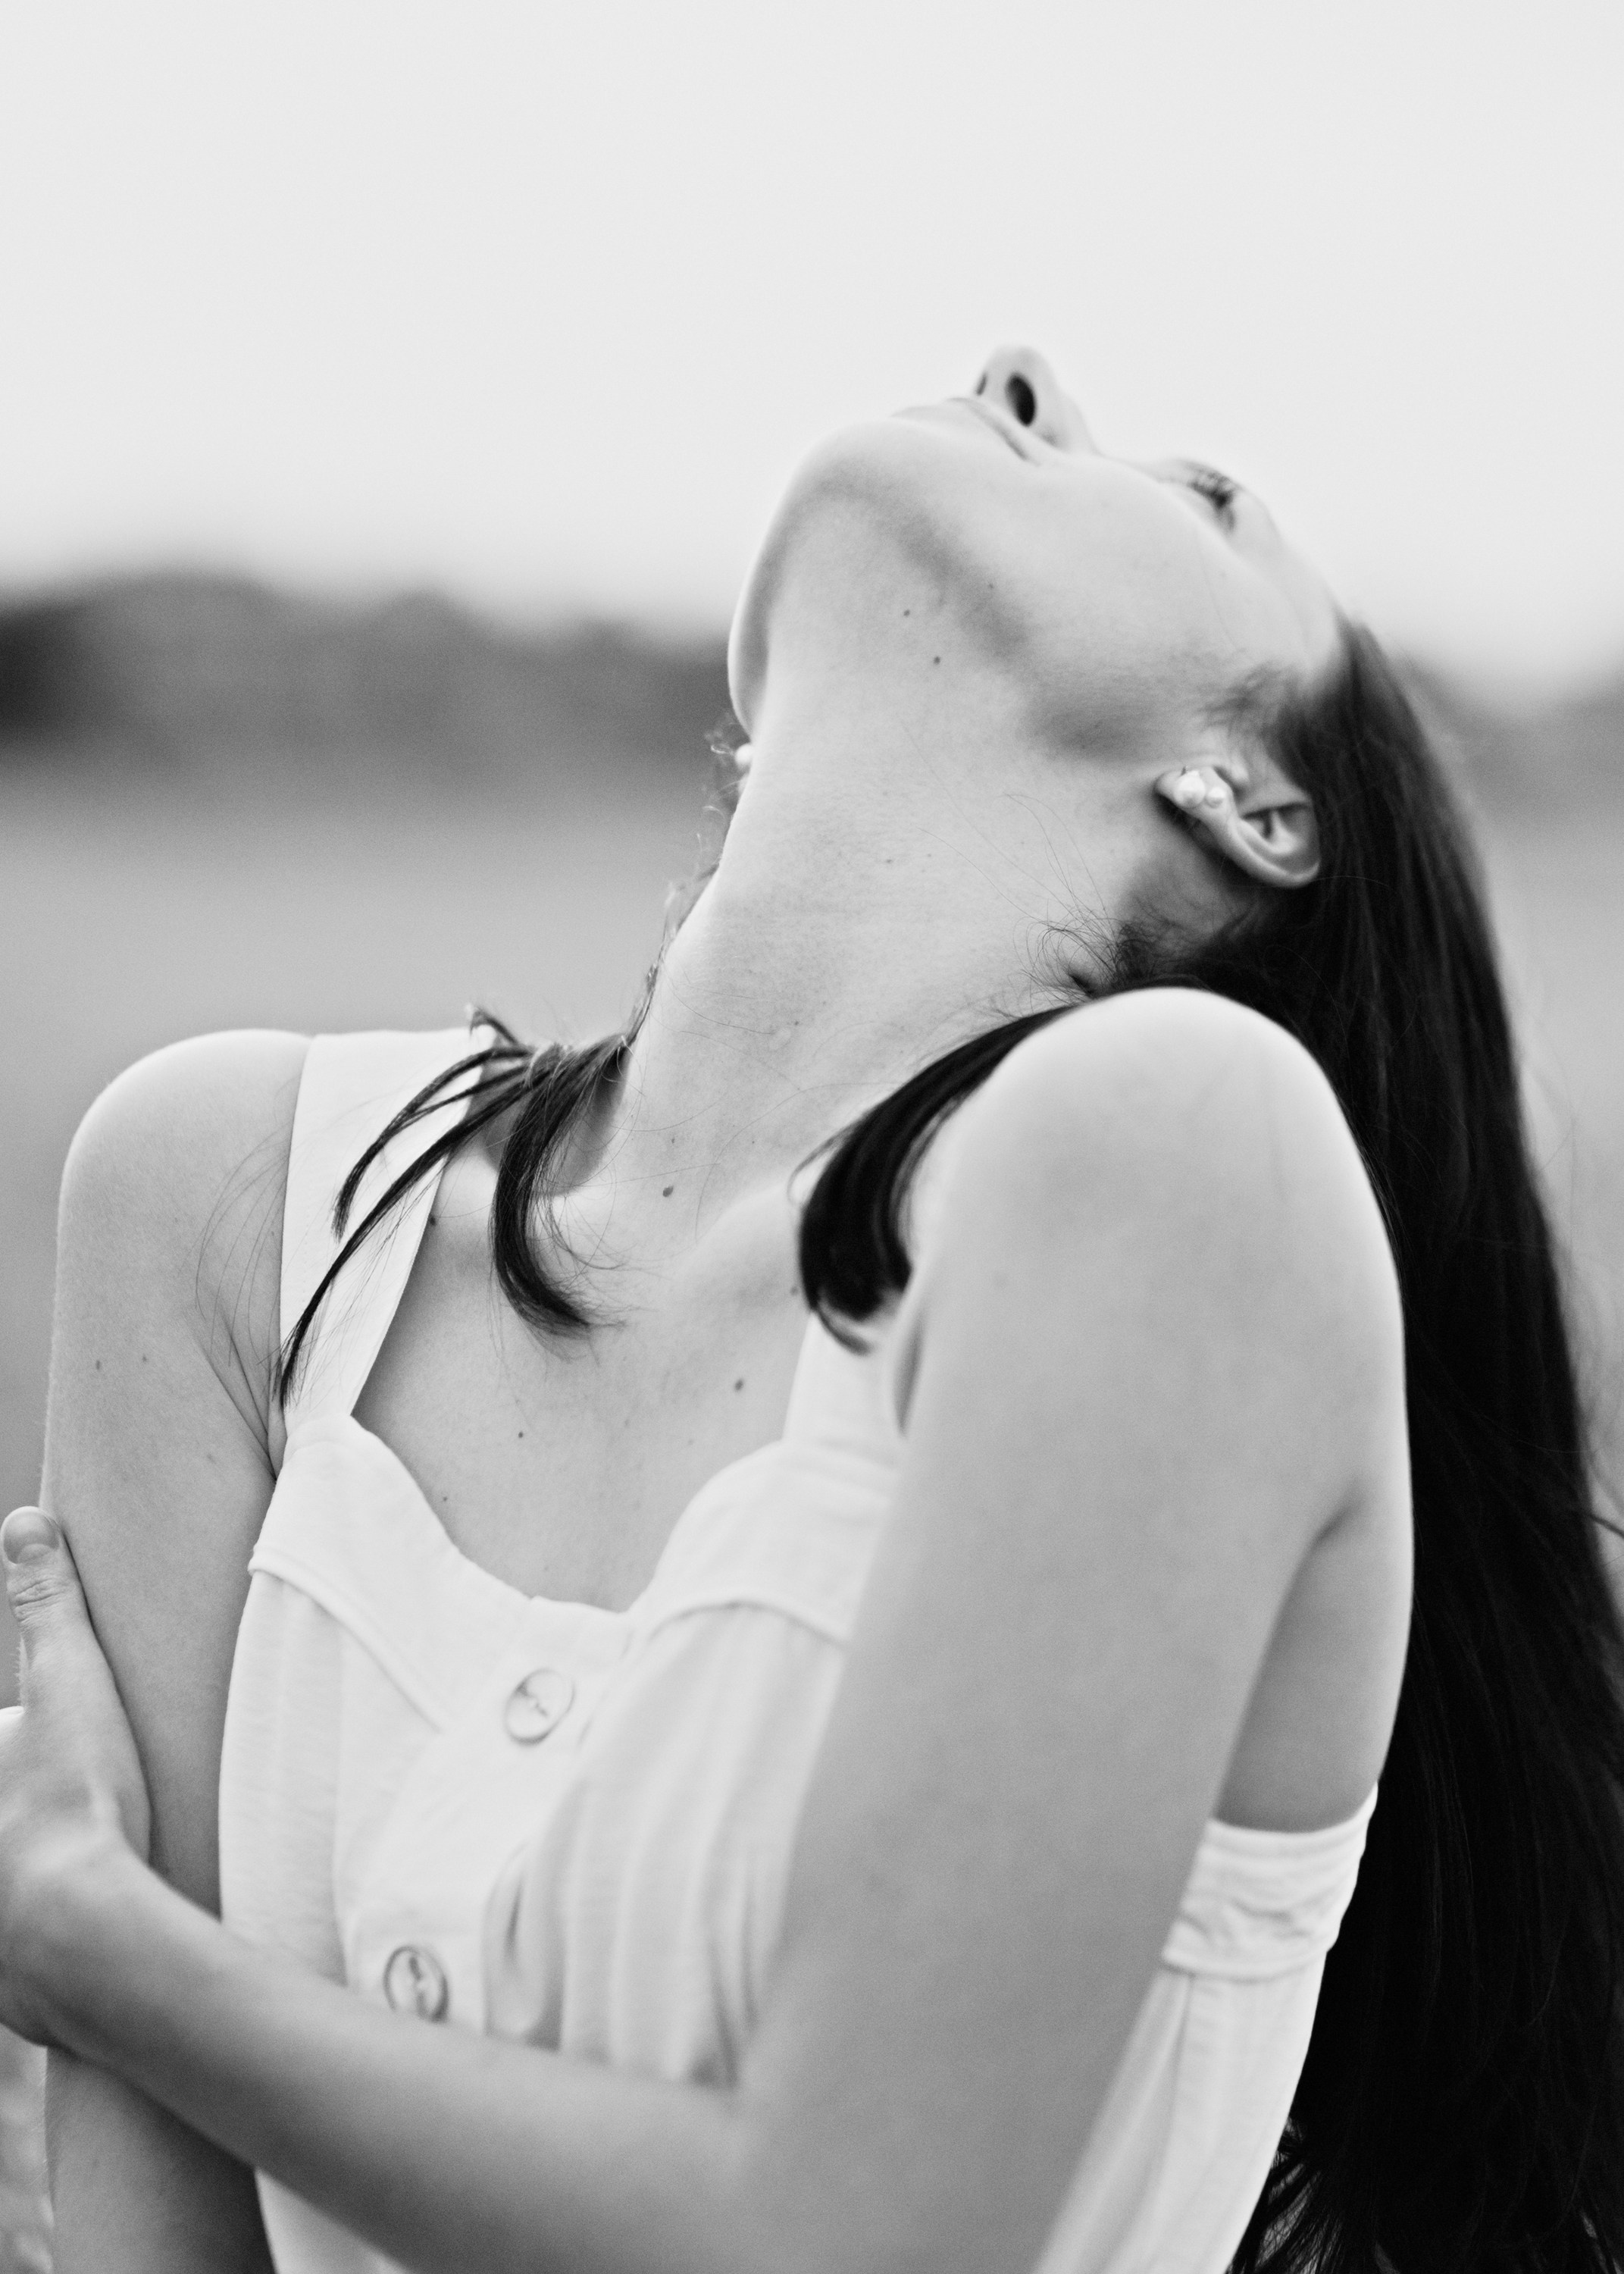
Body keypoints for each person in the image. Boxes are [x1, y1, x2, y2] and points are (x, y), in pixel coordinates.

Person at [2, 343, 1622, 2274]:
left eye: (1196, 497)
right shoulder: (223, 1197)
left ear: (1251, 798)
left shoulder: (1185, 1162)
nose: (1020, 369)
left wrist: (102, 1956)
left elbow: (849, 2240)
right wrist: (85, 1941)